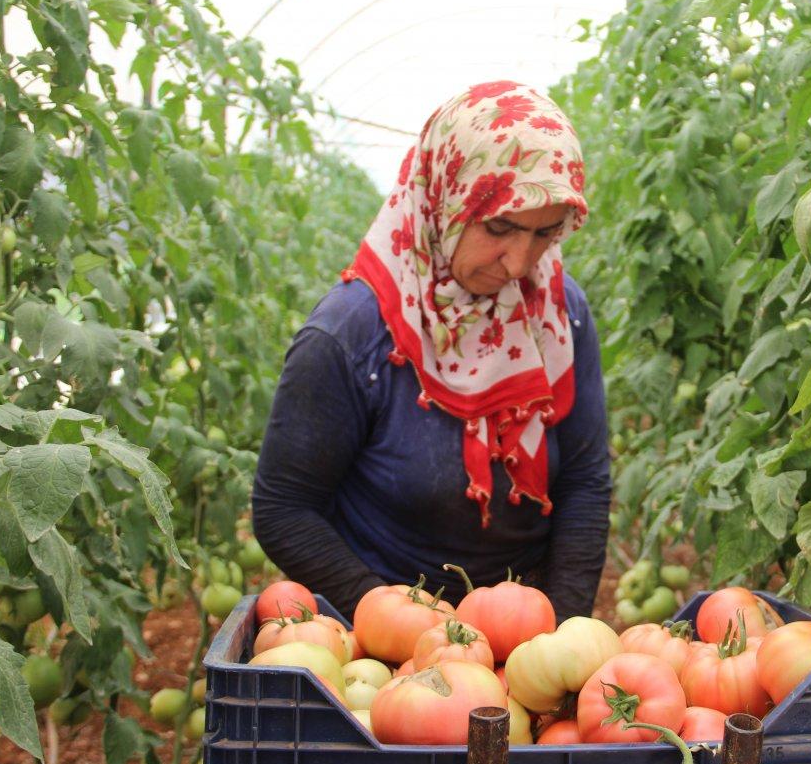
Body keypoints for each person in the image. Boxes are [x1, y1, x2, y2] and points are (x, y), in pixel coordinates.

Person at [251, 81, 611, 623]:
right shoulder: (350, 336)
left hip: (524, 628)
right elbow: (284, 510)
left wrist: (559, 634)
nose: (519, 263)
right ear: (446, 197)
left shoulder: (558, 312)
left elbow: (584, 479)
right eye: (499, 226)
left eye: (544, 234)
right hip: (382, 638)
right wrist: (401, 624)